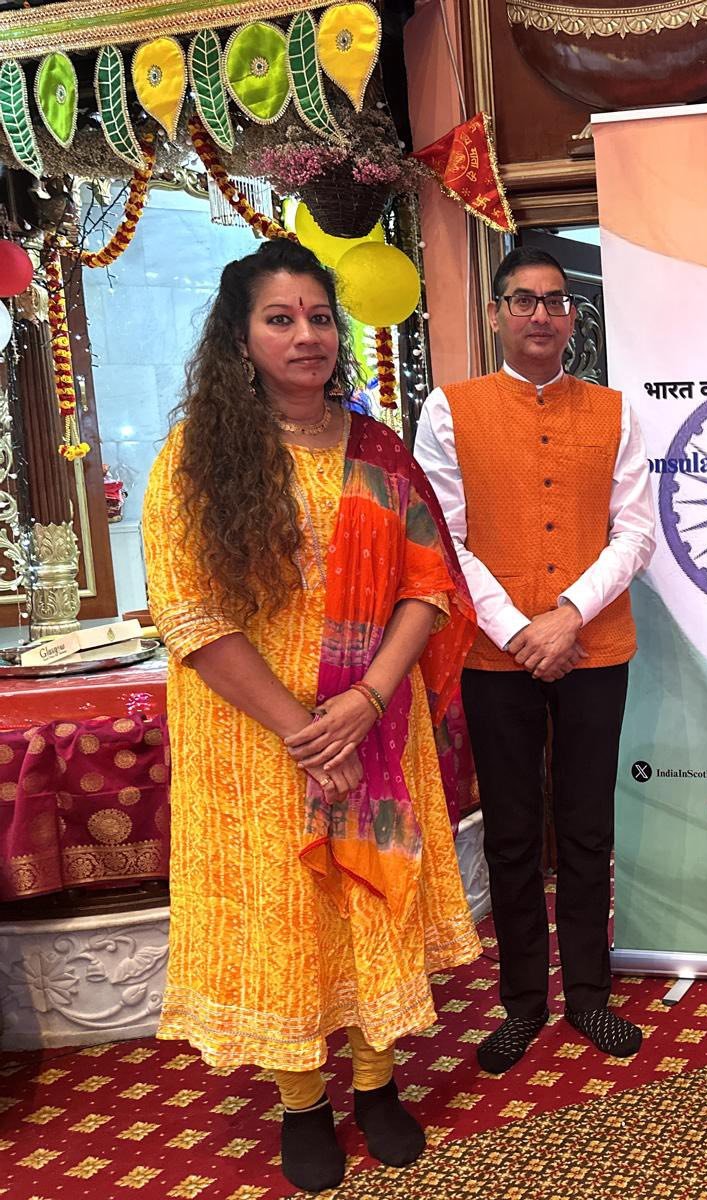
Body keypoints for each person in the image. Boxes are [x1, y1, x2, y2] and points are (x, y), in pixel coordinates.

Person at [143, 240, 481, 1193]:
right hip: (255, 734)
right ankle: (303, 1100)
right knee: (291, 910)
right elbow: (191, 613)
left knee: (370, 894)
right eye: (280, 318)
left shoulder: (378, 450)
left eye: (320, 317)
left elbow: (427, 587)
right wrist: (302, 726)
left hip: (372, 715)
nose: (307, 336)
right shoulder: (196, 461)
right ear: (238, 337)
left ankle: (376, 1083)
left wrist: (368, 699)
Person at [413, 247, 654, 1072]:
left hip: (595, 647)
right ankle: (522, 1004)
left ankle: (588, 996)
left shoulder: (617, 412)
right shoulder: (449, 409)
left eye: (555, 302)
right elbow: (447, 536)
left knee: (588, 827)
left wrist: (568, 618)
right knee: (513, 833)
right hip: (492, 652)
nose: (542, 315)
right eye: (524, 301)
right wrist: (521, 627)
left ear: (573, 317)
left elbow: (637, 531)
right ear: (495, 314)